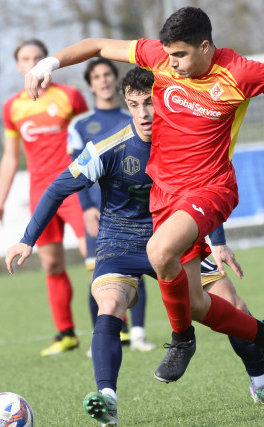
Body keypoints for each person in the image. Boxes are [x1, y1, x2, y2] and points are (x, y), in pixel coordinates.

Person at [24, 7, 264, 394]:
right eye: (168, 55)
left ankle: (182, 341)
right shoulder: (161, 59)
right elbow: (97, 44)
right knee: (197, 304)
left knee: (159, 249)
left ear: (205, 47)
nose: (172, 64)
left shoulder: (240, 72)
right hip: (165, 195)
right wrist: (48, 64)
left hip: (210, 188)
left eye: (181, 55)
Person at [6, 67, 264, 427]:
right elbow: (57, 188)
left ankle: (263, 384)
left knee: (231, 302)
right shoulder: (108, 149)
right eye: (133, 105)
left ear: (164, 99)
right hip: (121, 240)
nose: (143, 113)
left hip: (175, 237)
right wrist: (27, 239)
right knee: (111, 302)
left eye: (149, 102)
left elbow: (205, 193)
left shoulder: (186, 142)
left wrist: (220, 242)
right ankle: (108, 397)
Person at [0, 39, 89, 356]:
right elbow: (9, 158)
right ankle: (66, 334)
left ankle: (118, 327)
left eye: (37, 57)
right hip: (41, 192)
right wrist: (0, 201)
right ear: (18, 66)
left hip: (75, 186)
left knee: (93, 253)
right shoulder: (11, 108)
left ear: (45, 62)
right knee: (51, 264)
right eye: (25, 58)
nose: (32, 63)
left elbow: (91, 136)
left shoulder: (69, 96)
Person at [67, 57, 153, 352]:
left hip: (137, 210)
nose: (103, 80)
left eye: (108, 75)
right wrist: (88, 208)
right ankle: (101, 336)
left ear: (117, 82)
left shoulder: (133, 115)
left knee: (138, 269)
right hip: (100, 211)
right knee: (99, 275)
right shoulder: (81, 125)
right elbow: (77, 171)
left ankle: (138, 333)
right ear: (90, 84)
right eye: (97, 76)